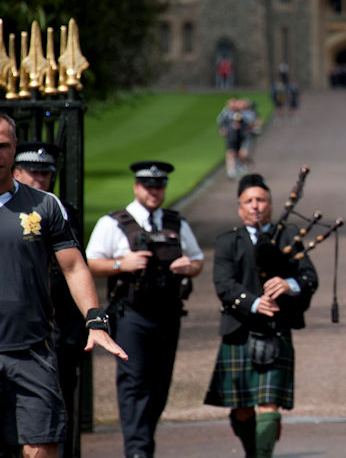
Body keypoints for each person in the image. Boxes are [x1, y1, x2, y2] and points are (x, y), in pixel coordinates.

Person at [0, 114, 128, 458]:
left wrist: (95, 320)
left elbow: (73, 267)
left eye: (3, 145)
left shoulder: (44, 205)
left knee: (42, 448)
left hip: (31, 349)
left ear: (13, 150)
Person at [85, 160, 204, 458]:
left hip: (168, 314)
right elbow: (88, 264)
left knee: (160, 385)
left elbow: (198, 260)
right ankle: (137, 451)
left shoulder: (176, 223)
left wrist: (190, 267)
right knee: (134, 383)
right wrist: (121, 264)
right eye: (148, 186)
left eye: (159, 186)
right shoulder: (113, 223)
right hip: (131, 316)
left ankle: (143, 445)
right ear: (137, 187)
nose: (154, 191)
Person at [204, 173, 318, 458]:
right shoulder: (227, 241)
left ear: (270, 204)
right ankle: (252, 452)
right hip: (239, 329)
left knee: (269, 403)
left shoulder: (290, 236)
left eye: (261, 200)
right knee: (242, 409)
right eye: (249, 201)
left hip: (276, 330)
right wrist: (254, 303)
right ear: (240, 207)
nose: (256, 205)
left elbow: (309, 278)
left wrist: (288, 285)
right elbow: (224, 284)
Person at [12, 142, 87, 458]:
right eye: (34, 173)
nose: (41, 179)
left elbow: (74, 265)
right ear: (17, 172)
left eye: (46, 173)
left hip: (57, 326)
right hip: (17, 324)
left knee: (56, 415)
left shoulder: (60, 210)